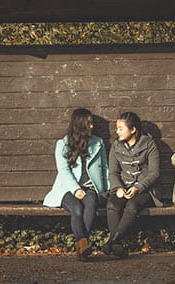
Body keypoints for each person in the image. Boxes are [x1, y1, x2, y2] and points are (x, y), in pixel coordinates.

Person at [42, 108, 109, 261]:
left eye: (92, 123)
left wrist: (107, 190)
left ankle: (81, 247)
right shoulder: (63, 144)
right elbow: (64, 171)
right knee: (77, 209)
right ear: (79, 124)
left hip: (90, 187)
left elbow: (105, 169)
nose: (92, 126)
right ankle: (83, 242)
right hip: (66, 189)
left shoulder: (98, 143)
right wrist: (75, 189)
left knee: (91, 203)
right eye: (89, 123)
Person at [103, 111, 163, 258]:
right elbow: (113, 172)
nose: (117, 132)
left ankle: (112, 241)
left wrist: (138, 187)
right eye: (117, 128)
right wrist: (118, 188)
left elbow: (154, 173)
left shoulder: (149, 144)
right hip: (123, 188)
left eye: (120, 128)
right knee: (112, 204)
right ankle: (117, 246)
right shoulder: (116, 146)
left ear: (133, 129)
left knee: (132, 205)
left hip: (146, 190)